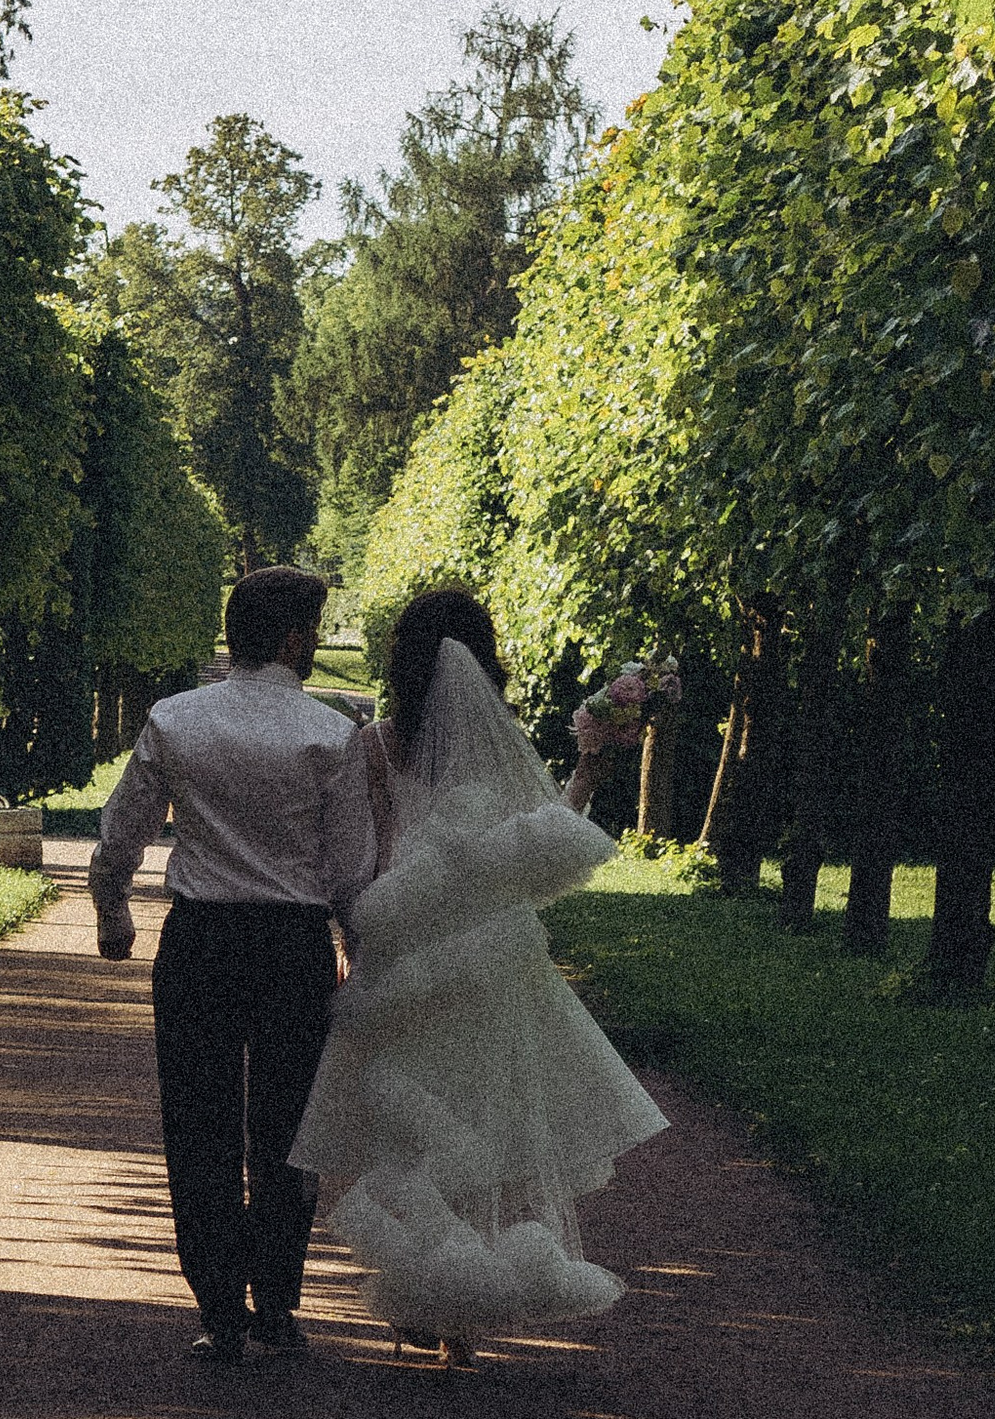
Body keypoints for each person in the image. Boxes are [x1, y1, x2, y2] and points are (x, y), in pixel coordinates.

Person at [292, 587, 666, 1361]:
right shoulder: (500, 741)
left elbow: (365, 863)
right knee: (484, 1119)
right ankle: (468, 1300)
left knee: (412, 1127)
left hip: (407, 963)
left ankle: (429, 1288)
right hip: (494, 958)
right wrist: (589, 766)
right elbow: (539, 846)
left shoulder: (377, 746)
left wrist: (356, 932)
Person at [90, 566, 377, 1365]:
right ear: (292, 639)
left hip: (202, 941)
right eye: (314, 630)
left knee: (199, 1124)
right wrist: (358, 949)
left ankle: (218, 1305)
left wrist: (112, 911)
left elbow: (122, 832)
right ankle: (278, 1303)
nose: (316, 644)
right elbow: (349, 868)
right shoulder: (332, 733)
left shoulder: (175, 720)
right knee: (288, 1131)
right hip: (292, 947)